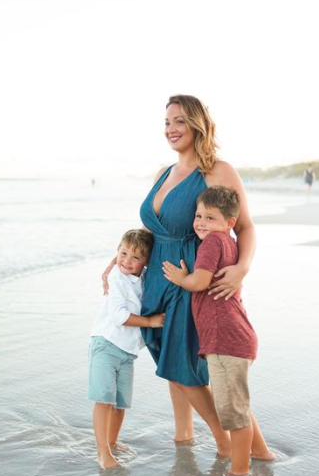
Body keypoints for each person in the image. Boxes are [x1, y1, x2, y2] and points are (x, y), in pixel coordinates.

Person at [102, 94, 256, 455]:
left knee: (179, 360)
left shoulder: (218, 171)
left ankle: (228, 443)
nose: (171, 129)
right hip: (155, 276)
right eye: (167, 122)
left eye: (179, 121)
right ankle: (184, 435)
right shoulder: (163, 173)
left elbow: (245, 227)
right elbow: (149, 233)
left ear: (198, 124)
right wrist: (118, 262)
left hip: (190, 277)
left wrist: (240, 270)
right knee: (171, 358)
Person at [163, 186, 274, 476]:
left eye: (210, 218)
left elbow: (200, 282)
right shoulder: (229, 243)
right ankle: (261, 456)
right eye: (198, 216)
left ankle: (240, 471)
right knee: (236, 406)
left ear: (229, 223)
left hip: (227, 341)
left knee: (235, 415)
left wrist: (181, 277)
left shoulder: (213, 242)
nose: (200, 222)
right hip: (235, 337)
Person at [89, 229, 165, 469]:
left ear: (145, 262)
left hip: (127, 351)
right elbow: (120, 316)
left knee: (121, 403)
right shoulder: (116, 278)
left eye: (135, 258)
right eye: (122, 254)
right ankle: (103, 453)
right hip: (106, 344)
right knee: (104, 400)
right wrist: (151, 322)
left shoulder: (141, 278)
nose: (126, 261)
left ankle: (112, 442)